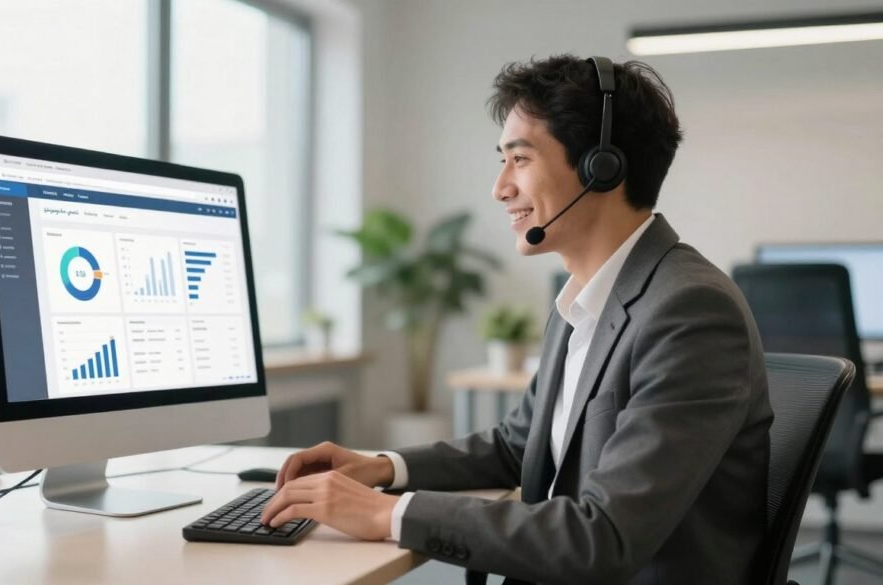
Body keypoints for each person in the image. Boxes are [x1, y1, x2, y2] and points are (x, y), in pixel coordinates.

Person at [260, 54, 774, 585]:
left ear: (602, 166)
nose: (500, 188)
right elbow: (518, 444)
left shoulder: (688, 310)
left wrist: (385, 514)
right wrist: (384, 467)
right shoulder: (586, 299)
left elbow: (605, 537)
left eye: (520, 159)